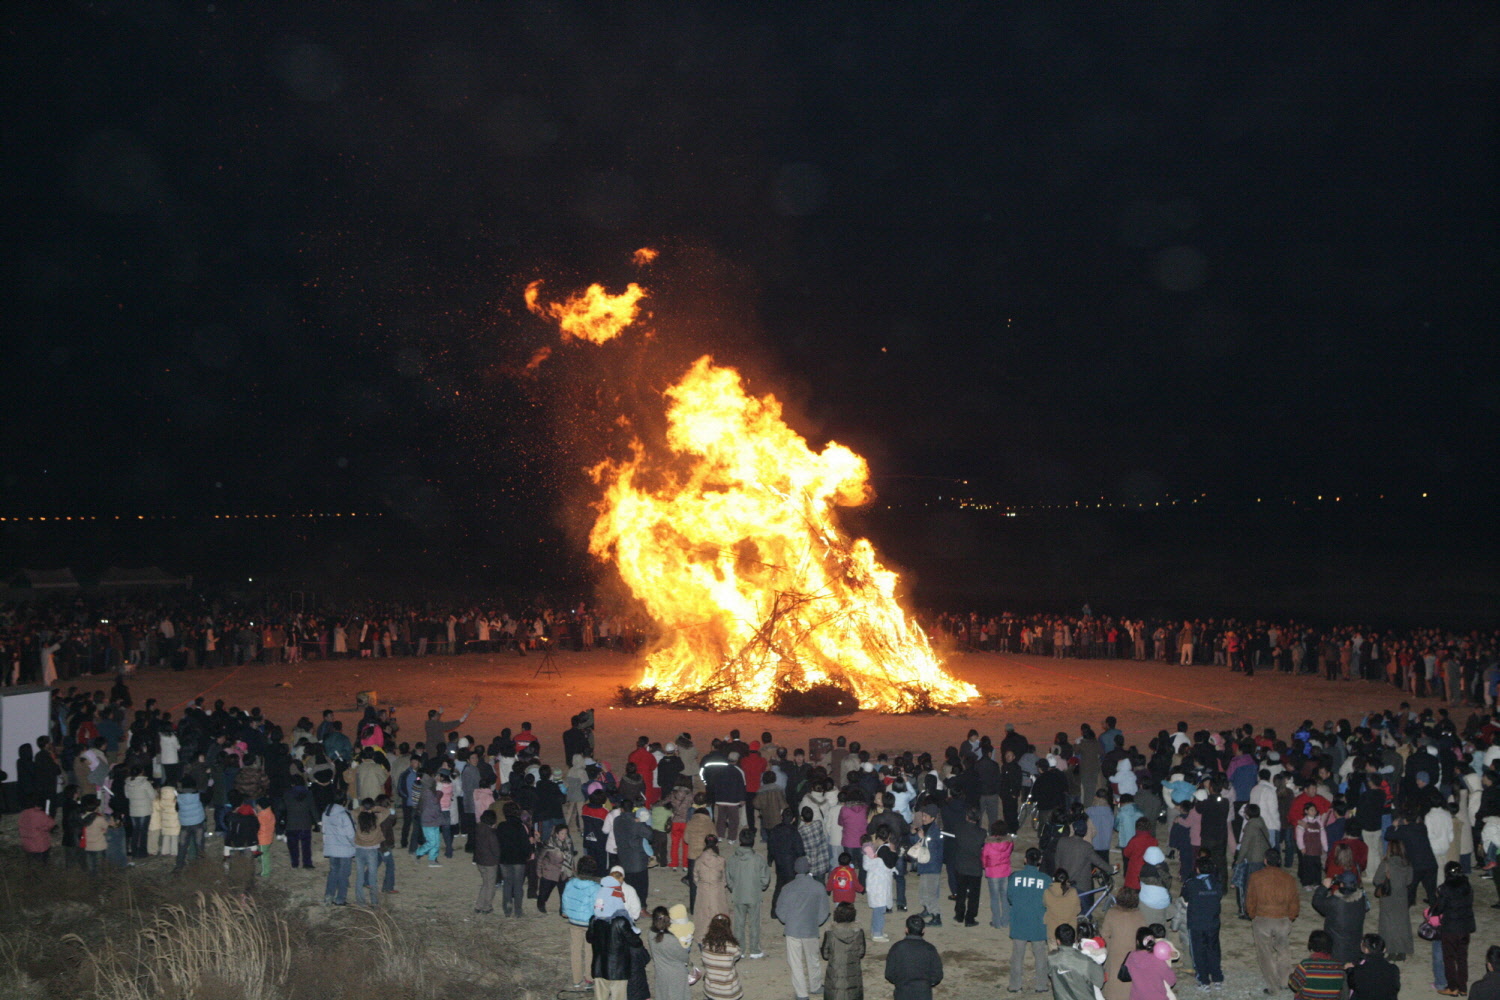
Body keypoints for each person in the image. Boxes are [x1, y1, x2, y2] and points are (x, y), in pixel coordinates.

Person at [1246, 849, 1301, 993]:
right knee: (1283, 951)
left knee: (1265, 953)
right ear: (1279, 861)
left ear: (1265, 860)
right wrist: (1291, 916)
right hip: (1282, 919)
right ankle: (1284, 981)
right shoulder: (1289, 878)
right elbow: (1294, 901)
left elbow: (1250, 900)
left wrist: (1253, 915)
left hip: (1263, 918)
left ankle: (1273, 986)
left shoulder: (1256, 877)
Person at [776, 856, 831, 1000]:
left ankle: (801, 994)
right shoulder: (818, 887)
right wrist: (816, 922)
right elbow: (824, 911)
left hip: (792, 929)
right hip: (810, 929)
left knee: (795, 963)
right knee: (813, 959)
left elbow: (780, 911)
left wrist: (788, 921)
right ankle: (816, 985)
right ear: (809, 869)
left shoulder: (787, 888)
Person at [1008, 846, 1053, 992]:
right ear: (1039, 860)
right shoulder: (1046, 879)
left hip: (1019, 920)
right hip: (1038, 921)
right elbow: (1049, 902)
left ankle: (1015, 985)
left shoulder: (1015, 877)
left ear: (1025, 860)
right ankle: (1041, 985)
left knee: (1017, 954)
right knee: (1040, 954)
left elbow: (1010, 897)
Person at [725, 828, 771, 959]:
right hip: (754, 895)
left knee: (738, 923)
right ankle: (755, 950)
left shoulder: (732, 859)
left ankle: (740, 949)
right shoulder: (758, 859)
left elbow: (728, 878)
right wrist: (759, 887)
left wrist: (734, 887)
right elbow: (765, 879)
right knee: (754, 922)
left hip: (738, 895)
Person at [1431, 860, 1475, 996]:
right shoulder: (1467, 886)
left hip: (1450, 928)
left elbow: (1439, 909)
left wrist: (1434, 908)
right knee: (1462, 958)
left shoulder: (1446, 888)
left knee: (1449, 958)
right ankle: (1463, 987)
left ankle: (1452, 987)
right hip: (1465, 927)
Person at [1181, 857, 1225, 986]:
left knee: (1198, 951)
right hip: (1213, 922)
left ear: (1197, 869)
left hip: (1196, 923)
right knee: (1214, 949)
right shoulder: (1217, 883)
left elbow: (1185, 897)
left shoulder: (1191, 883)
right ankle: (1217, 977)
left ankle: (1203, 979)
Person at [1312, 870, 1370, 966]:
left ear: (1342, 885)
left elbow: (1317, 902)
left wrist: (1323, 887)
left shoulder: (1334, 902)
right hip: (1355, 946)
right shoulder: (1362, 899)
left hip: (1336, 948)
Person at [562, 856, 603, 990]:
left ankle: (576, 979)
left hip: (574, 921)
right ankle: (589, 978)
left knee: (575, 950)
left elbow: (565, 900)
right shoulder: (596, 887)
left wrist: (565, 911)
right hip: (589, 923)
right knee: (590, 950)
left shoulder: (570, 883)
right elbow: (597, 907)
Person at [588, 911, 647, 1000]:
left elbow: (589, 938)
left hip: (600, 968)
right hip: (618, 970)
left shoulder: (595, 920)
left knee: (600, 996)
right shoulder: (620, 921)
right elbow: (636, 942)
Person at [885, 913, 944, 1000]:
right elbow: (937, 975)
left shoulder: (897, 947)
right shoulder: (930, 949)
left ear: (906, 930)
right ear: (923, 930)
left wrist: (899, 982)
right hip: (924, 993)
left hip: (902, 992)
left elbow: (889, 974)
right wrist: (928, 983)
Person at [1101, 887, 1147, 1000]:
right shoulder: (1139, 916)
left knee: (1114, 983)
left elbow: (1104, 935)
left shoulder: (1112, 914)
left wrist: (1111, 944)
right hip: (1133, 955)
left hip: (1115, 953)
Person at [1372, 838, 1414, 961]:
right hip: (1401, 897)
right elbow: (1409, 881)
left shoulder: (1386, 864)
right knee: (1402, 923)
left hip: (1388, 896)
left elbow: (1376, 880)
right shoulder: (1406, 864)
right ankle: (1402, 950)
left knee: (1387, 923)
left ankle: (1390, 950)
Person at [821, 901, 866, 1000]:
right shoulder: (858, 933)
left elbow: (825, 955)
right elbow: (861, 953)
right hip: (853, 977)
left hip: (834, 977)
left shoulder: (830, 933)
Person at [497, 801, 534, 919]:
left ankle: (507, 909)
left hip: (504, 859)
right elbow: (525, 844)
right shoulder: (520, 826)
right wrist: (528, 854)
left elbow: (498, 842)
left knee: (507, 884)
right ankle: (518, 910)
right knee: (518, 885)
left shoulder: (501, 826)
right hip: (518, 859)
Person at [1049, 923, 1106, 1000]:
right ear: (1075, 938)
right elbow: (1099, 981)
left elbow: (1050, 974)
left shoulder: (1051, 958)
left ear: (1058, 941)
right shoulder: (1086, 961)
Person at [1117, 926, 1176, 1000]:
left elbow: (1125, 975)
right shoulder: (1157, 958)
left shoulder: (1131, 956)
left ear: (1137, 942)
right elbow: (1172, 980)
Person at [648, 905, 693, 1000]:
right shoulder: (671, 939)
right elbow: (684, 956)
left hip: (661, 972)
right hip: (676, 974)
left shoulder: (651, 934)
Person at [1289, 929, 1347, 1000]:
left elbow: (1294, 986)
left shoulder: (1306, 964)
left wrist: (1291, 977)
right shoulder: (1339, 965)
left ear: (1311, 945)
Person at [321, 797, 356, 905]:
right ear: (344, 801)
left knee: (333, 872)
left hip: (331, 848)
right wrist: (355, 845)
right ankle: (340, 899)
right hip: (344, 849)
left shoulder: (326, 813)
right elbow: (351, 834)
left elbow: (324, 831)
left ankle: (328, 896)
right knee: (343, 874)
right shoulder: (344, 814)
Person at [1345, 933, 1401, 1000]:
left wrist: (1348, 970)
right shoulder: (1393, 969)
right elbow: (1396, 988)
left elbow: (1351, 984)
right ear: (1384, 949)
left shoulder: (1358, 971)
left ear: (1365, 950)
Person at [694, 834, 731, 923]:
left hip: (703, 890)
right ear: (716, 845)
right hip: (717, 890)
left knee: (703, 917)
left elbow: (695, 878)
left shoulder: (699, 860)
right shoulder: (721, 860)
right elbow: (725, 879)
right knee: (718, 916)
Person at [1044, 868, 1081, 952]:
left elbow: (1044, 905)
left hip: (1053, 932)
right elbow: (1078, 910)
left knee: (1054, 958)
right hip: (1069, 933)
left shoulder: (1047, 892)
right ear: (1067, 880)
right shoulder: (1073, 892)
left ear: (1054, 879)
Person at [473, 810, 500, 914]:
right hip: (490, 862)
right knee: (490, 886)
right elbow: (495, 849)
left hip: (480, 860)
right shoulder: (491, 834)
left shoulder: (478, 828)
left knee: (485, 883)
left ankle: (479, 905)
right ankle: (487, 907)